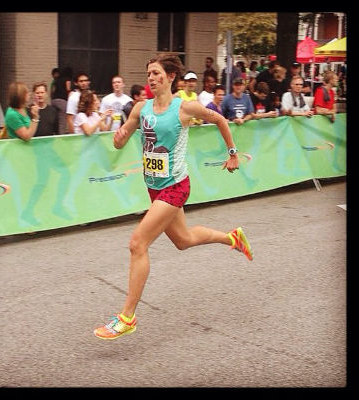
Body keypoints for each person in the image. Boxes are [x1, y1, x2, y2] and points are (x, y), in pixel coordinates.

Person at [93, 54, 253, 340]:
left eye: (156, 73)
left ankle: (127, 317)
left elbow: (220, 120)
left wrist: (232, 153)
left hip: (175, 187)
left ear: (170, 77)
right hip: (154, 187)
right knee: (184, 240)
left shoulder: (185, 107)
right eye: (148, 74)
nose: (151, 78)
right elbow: (122, 138)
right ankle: (233, 238)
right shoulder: (140, 109)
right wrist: (118, 139)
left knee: (137, 244)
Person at [51, 67, 72, 134]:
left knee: (56, 118)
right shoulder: (68, 79)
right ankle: (61, 135)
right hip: (62, 101)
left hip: (54, 100)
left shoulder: (57, 80)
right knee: (63, 120)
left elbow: (52, 91)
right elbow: (68, 89)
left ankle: (54, 132)